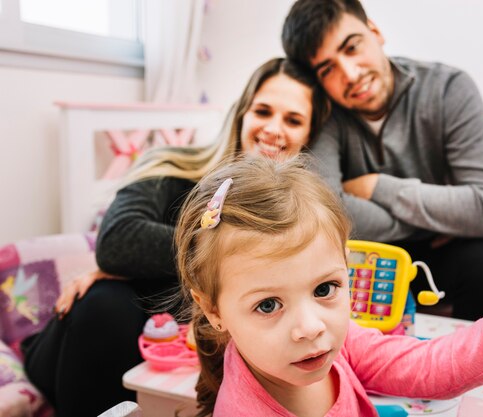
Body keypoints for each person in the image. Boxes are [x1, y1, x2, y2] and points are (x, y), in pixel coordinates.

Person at [176, 156, 483, 417]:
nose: (310, 327)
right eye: (269, 304)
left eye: (325, 289)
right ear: (212, 308)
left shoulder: (339, 340)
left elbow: (430, 367)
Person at [21, 57, 329, 417]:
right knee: (107, 300)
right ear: (241, 114)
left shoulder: (298, 216)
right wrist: (236, 260)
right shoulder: (172, 166)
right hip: (83, 345)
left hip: (169, 358)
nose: (274, 128)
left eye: (293, 120)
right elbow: (117, 242)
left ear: (309, 136)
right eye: (262, 111)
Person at [281, 0, 483, 320]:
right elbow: (325, 212)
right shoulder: (324, 110)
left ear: (375, 31)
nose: (350, 75)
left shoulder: (447, 89)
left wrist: (376, 187)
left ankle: (479, 366)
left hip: (440, 256)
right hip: (362, 256)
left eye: (352, 48)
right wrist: (430, 221)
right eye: (328, 69)